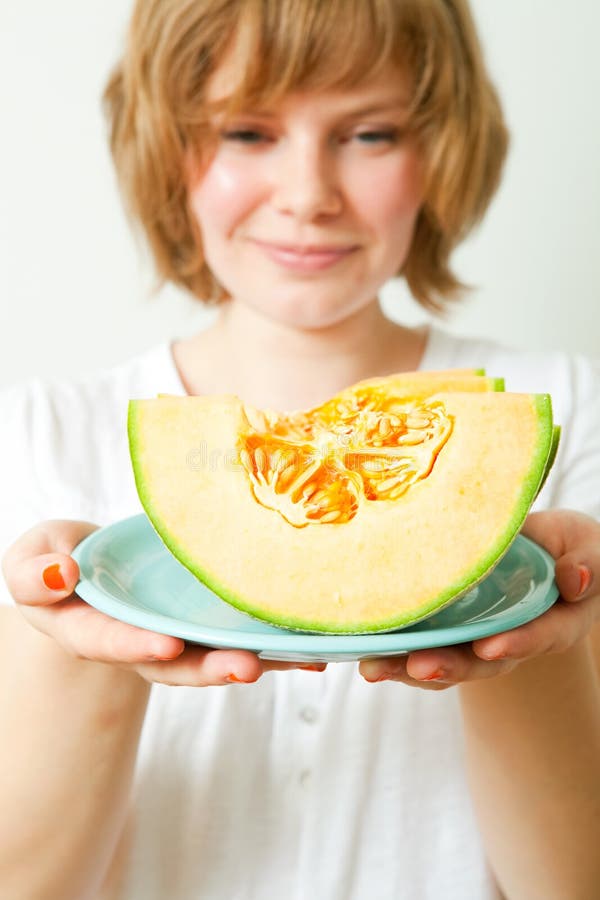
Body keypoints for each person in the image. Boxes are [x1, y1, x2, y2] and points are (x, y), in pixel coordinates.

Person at [1, 1, 599, 898]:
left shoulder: (571, 417)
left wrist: (514, 621)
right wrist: (89, 656)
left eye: (369, 132)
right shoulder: (36, 438)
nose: (308, 192)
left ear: (442, 146)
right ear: (167, 148)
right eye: (246, 131)